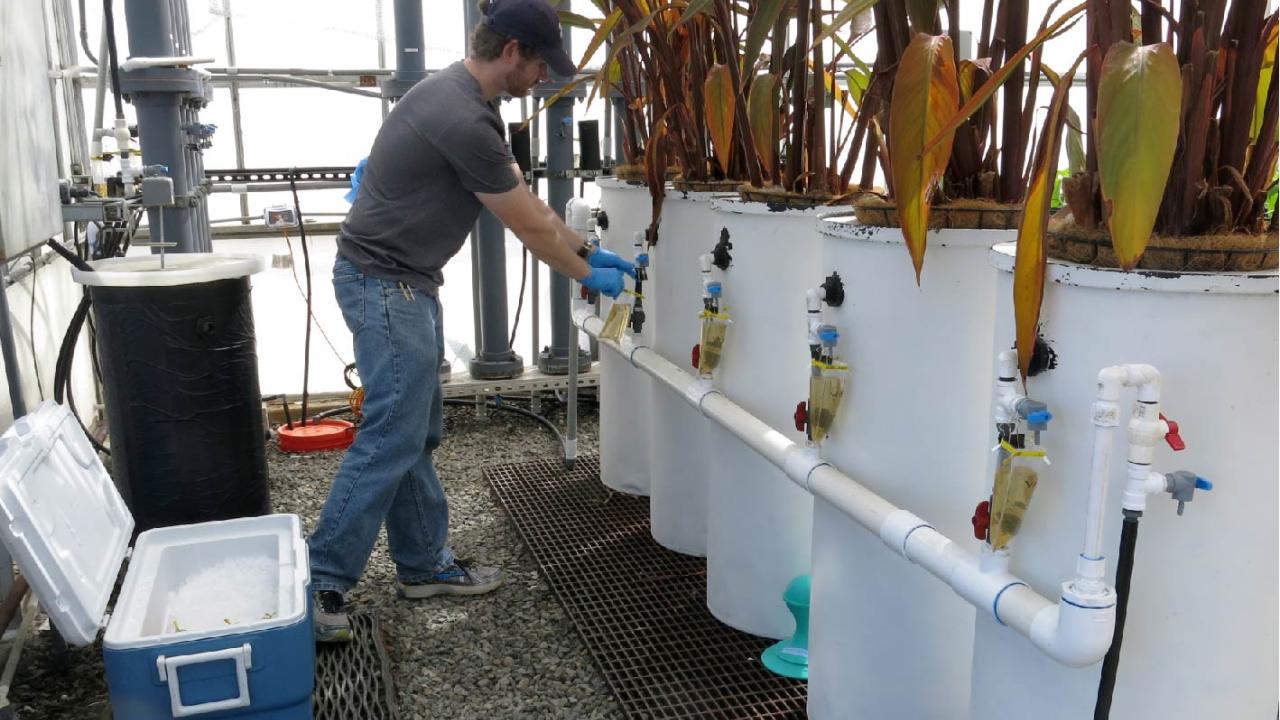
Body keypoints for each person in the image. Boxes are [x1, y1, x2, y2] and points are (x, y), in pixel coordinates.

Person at [309, 0, 634, 642]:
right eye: (541, 63)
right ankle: (317, 583)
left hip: (402, 282)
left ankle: (423, 565)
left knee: (415, 431)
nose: (543, 77)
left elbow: (530, 204)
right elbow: (526, 224)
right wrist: (583, 272)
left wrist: (588, 249)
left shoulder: (465, 102)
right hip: (386, 284)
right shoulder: (460, 115)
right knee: (389, 437)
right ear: (512, 50)